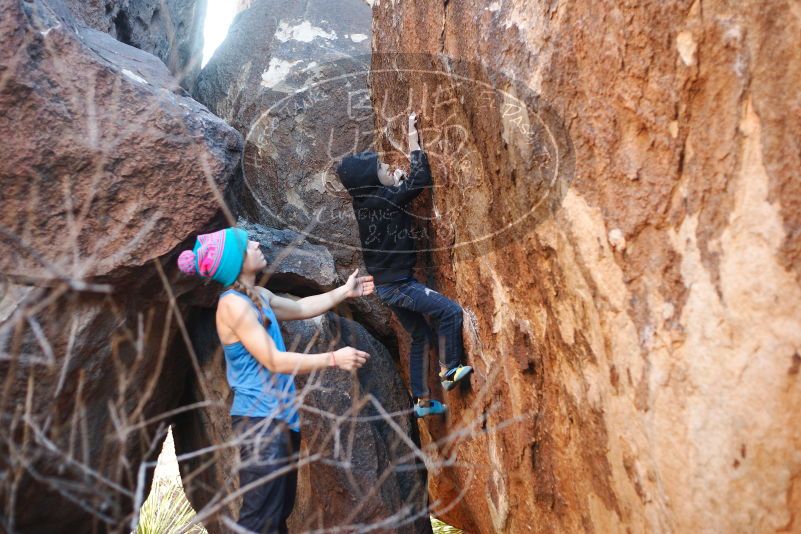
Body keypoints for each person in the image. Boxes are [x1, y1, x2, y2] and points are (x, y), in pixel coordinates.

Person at [177, 227, 374, 533]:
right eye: (247, 244)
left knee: (276, 514)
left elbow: (299, 308)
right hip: (260, 424)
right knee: (259, 520)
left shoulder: (257, 296)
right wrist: (333, 358)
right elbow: (274, 360)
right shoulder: (233, 306)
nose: (256, 243)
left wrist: (343, 292)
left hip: (278, 420)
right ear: (237, 261)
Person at [335, 112, 473, 419]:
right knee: (450, 312)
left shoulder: (365, 202)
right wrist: (413, 140)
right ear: (372, 182)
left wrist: (392, 185)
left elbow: (391, 194)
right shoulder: (385, 199)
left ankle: (422, 402)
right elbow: (420, 180)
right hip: (400, 287)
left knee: (421, 336)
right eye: (383, 168)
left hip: (388, 287)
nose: (390, 167)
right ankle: (450, 370)